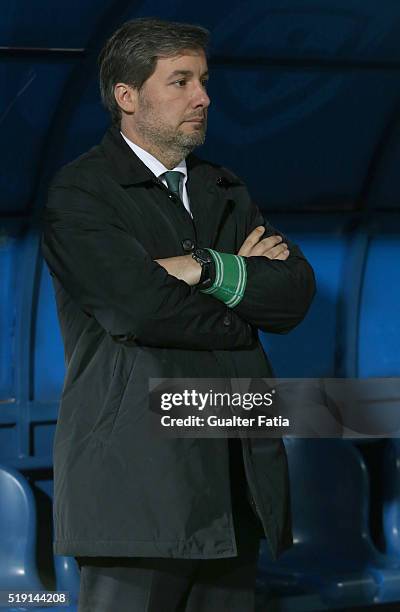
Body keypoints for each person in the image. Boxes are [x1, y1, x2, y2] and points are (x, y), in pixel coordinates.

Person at [41, 17, 315, 612]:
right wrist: (243, 294)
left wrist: (203, 268)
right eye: (182, 82)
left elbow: (293, 292)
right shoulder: (82, 194)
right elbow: (137, 306)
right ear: (127, 96)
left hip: (236, 483)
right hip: (137, 491)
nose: (204, 98)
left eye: (204, 81)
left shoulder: (225, 188)